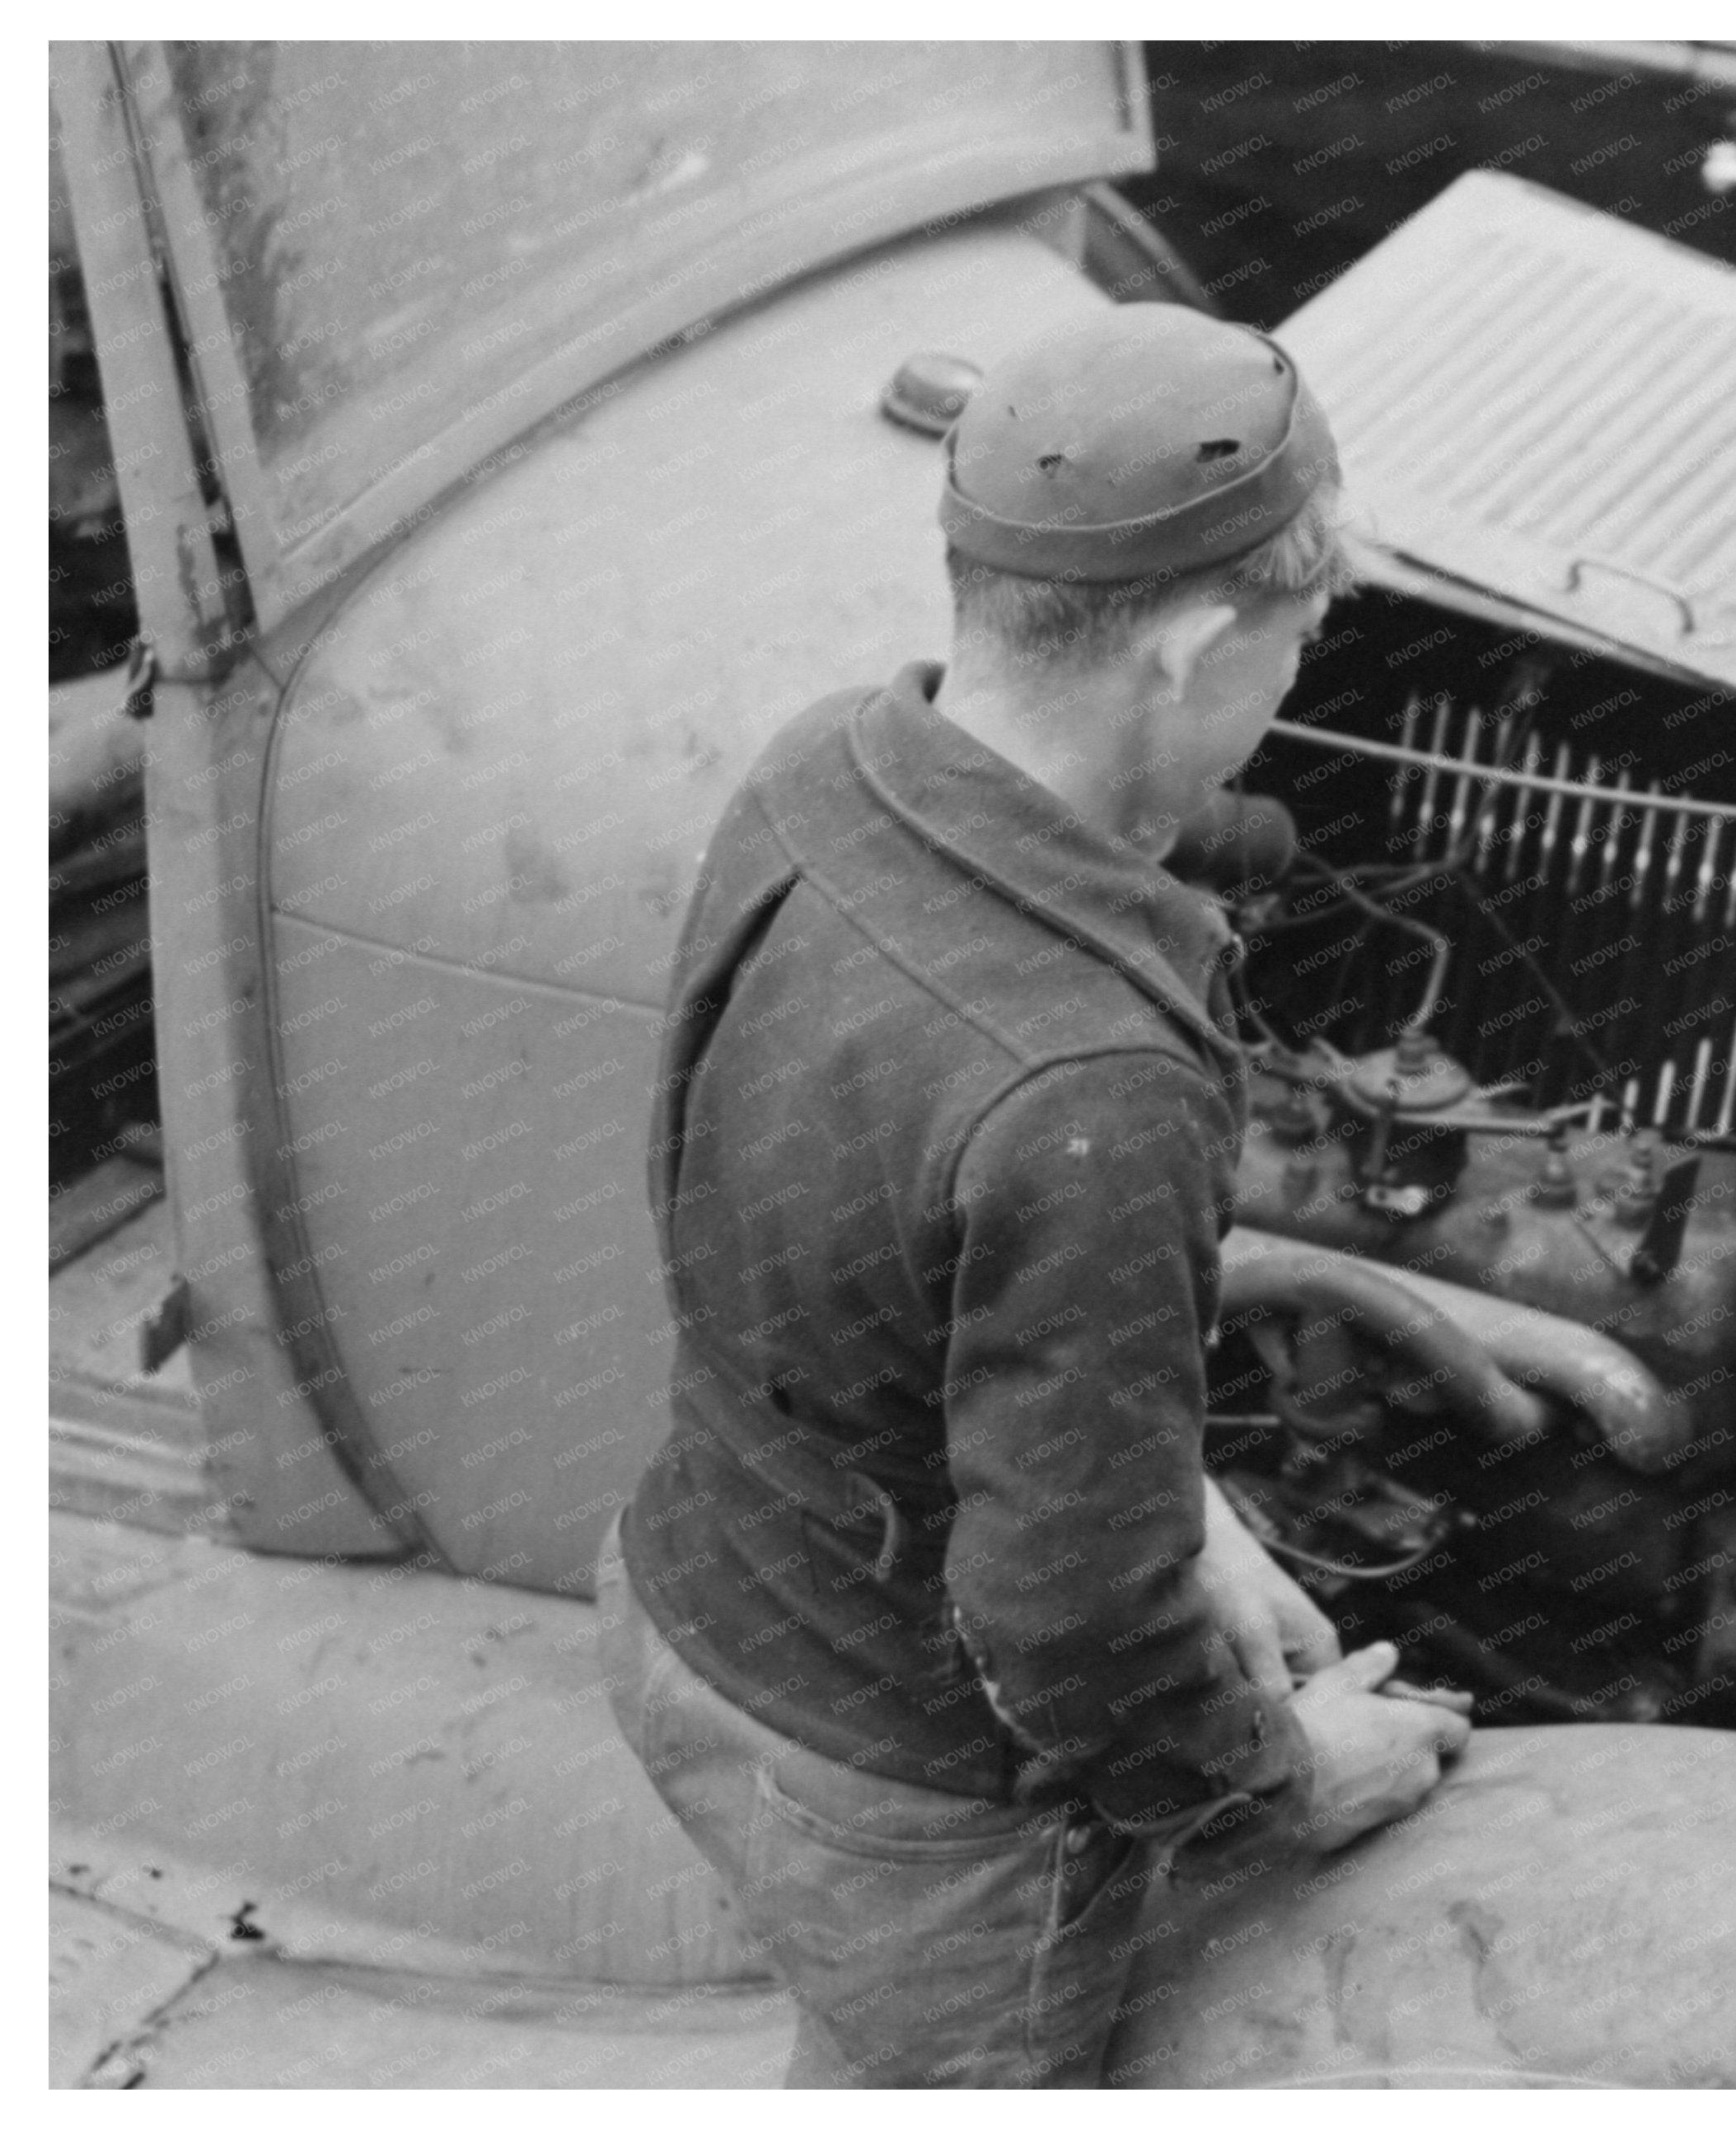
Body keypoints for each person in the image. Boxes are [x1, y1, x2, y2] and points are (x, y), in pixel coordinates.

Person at [597, 302, 1471, 2087]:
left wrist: (1161, 1497)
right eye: (1296, 643)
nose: (1294, 688)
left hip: (687, 1606)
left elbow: (845, 1259)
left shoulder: (822, 763)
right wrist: (1286, 1777)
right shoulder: (1097, 1084)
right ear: (1193, 642)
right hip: (901, 1800)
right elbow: (1073, 1642)